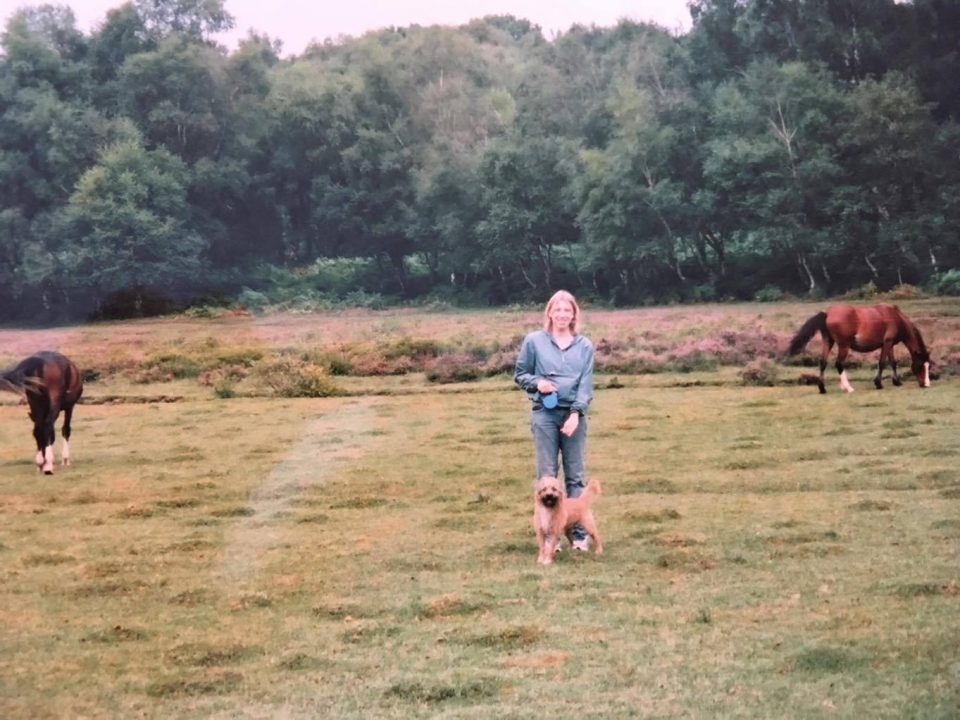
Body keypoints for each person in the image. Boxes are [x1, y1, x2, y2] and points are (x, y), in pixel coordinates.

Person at [514, 290, 595, 550]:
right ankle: (550, 535)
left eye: (567, 311)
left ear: (574, 315)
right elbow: (520, 373)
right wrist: (538, 382)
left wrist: (575, 414)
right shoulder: (534, 341)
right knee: (547, 474)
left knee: (575, 475)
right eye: (557, 310)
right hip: (544, 414)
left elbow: (585, 384)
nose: (562, 315)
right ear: (549, 312)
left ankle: (578, 535)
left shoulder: (584, 346)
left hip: (573, 415)